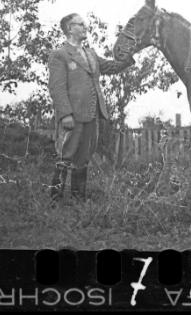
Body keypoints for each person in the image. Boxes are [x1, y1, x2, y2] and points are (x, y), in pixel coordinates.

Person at [48, 13, 134, 201]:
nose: (85, 27)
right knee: (65, 156)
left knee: (83, 158)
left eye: (85, 24)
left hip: (92, 115)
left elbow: (111, 67)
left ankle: (79, 203)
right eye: (81, 24)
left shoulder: (91, 54)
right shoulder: (59, 55)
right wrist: (65, 115)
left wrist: (128, 58)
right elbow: (56, 88)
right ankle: (54, 204)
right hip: (72, 115)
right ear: (70, 28)